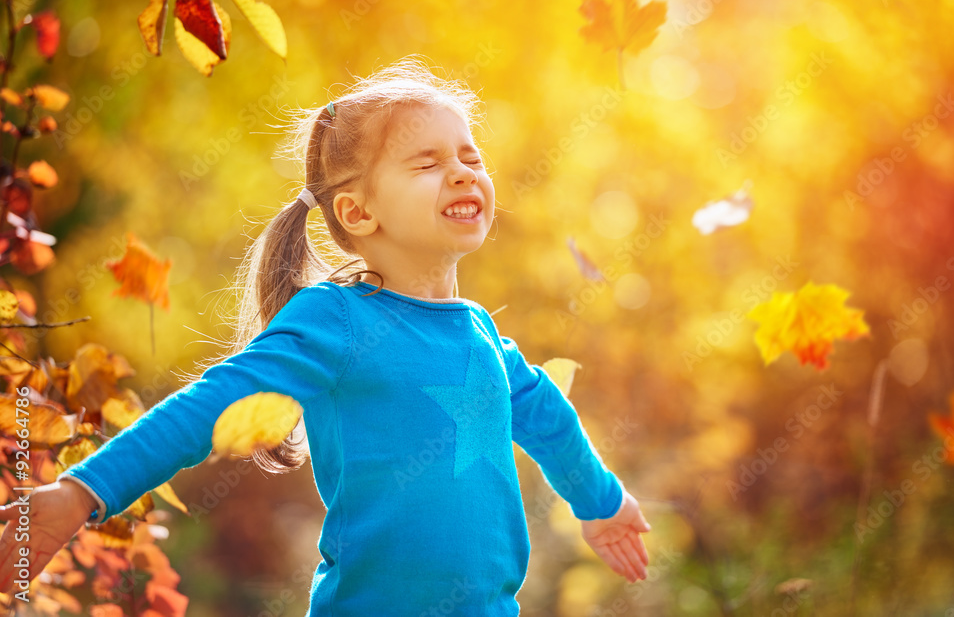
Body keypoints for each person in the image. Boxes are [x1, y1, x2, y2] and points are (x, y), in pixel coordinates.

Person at [0, 56, 651, 614]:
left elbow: (549, 420)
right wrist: (80, 492)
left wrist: (603, 502)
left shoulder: (481, 334)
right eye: (427, 162)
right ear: (357, 211)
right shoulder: (337, 319)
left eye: (470, 156)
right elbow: (209, 406)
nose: (461, 172)